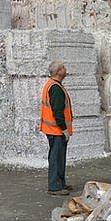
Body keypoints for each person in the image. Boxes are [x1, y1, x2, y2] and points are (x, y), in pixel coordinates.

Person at [40, 59, 73, 195]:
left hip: (54, 129)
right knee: (56, 157)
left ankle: (60, 183)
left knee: (60, 157)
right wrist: (64, 128)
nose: (66, 69)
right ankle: (54, 186)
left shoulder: (53, 85)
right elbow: (58, 110)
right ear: (59, 72)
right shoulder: (55, 88)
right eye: (63, 67)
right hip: (56, 130)